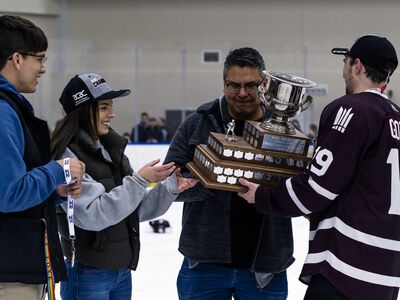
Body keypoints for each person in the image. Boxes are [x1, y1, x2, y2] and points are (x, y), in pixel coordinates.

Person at [239, 35, 400, 300]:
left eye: (346, 61)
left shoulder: (350, 109)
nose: (344, 69)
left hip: (345, 268)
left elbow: (317, 189)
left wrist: (262, 197)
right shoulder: (395, 117)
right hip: (387, 275)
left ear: (357, 66)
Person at [50, 72, 198, 300]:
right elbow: (93, 215)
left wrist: (169, 188)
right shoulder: (66, 156)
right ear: (82, 110)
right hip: (88, 271)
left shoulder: (111, 150)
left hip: (121, 270)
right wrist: (139, 180)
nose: (112, 113)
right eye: (103, 107)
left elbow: (134, 209)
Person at [164, 47, 293, 299]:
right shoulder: (197, 123)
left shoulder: (284, 128)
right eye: (234, 85)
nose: (242, 93)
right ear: (224, 84)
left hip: (265, 268)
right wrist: (210, 180)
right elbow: (169, 186)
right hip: (203, 265)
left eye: (251, 85)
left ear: (265, 84)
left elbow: (294, 190)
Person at [0, 15, 84, 300]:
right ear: (17, 59)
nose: (43, 68)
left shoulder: (11, 108)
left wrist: (53, 190)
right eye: (39, 58)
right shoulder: (3, 112)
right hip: (10, 275)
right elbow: (8, 194)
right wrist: (57, 171)